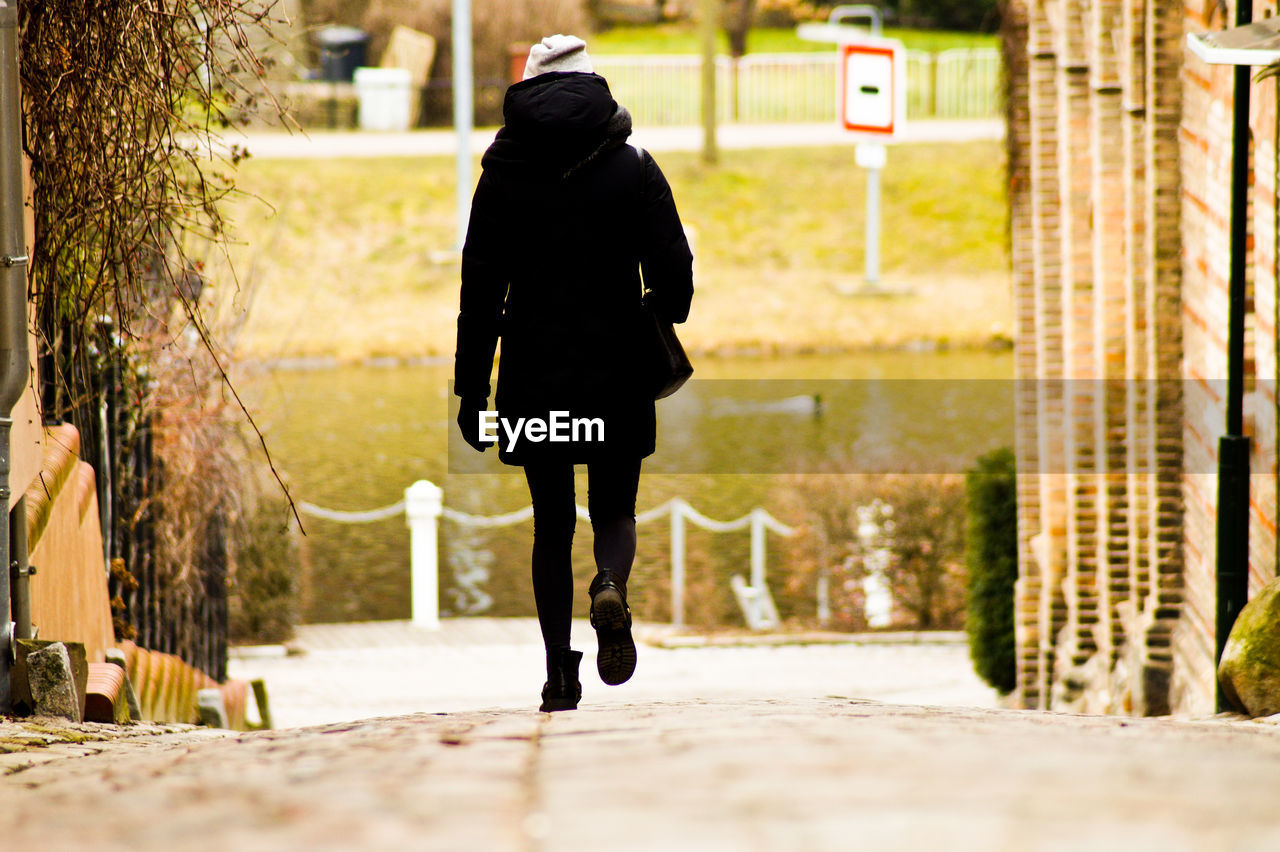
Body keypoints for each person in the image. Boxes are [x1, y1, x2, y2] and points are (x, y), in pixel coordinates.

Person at [453, 34, 694, 712]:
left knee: (551, 522)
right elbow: (674, 273)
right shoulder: (634, 166)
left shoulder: (499, 175)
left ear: (526, 91)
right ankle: (609, 582)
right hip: (617, 367)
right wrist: (661, 309)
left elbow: (479, 291)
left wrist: (472, 388)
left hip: (533, 369)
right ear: (595, 87)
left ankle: (560, 675)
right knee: (614, 506)